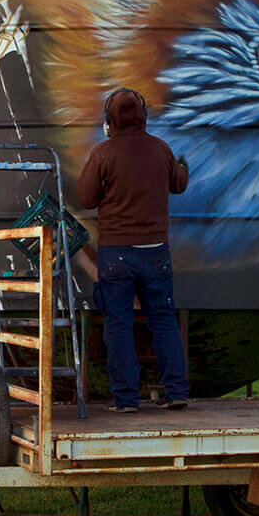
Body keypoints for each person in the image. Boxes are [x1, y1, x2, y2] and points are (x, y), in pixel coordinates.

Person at [73, 88, 191, 412]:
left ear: (108, 121)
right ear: (144, 118)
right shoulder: (161, 150)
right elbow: (178, 184)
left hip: (116, 254)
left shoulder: (103, 153)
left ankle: (125, 400)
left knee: (119, 325)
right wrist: (182, 166)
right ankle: (176, 391)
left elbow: (85, 198)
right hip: (156, 251)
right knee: (164, 320)